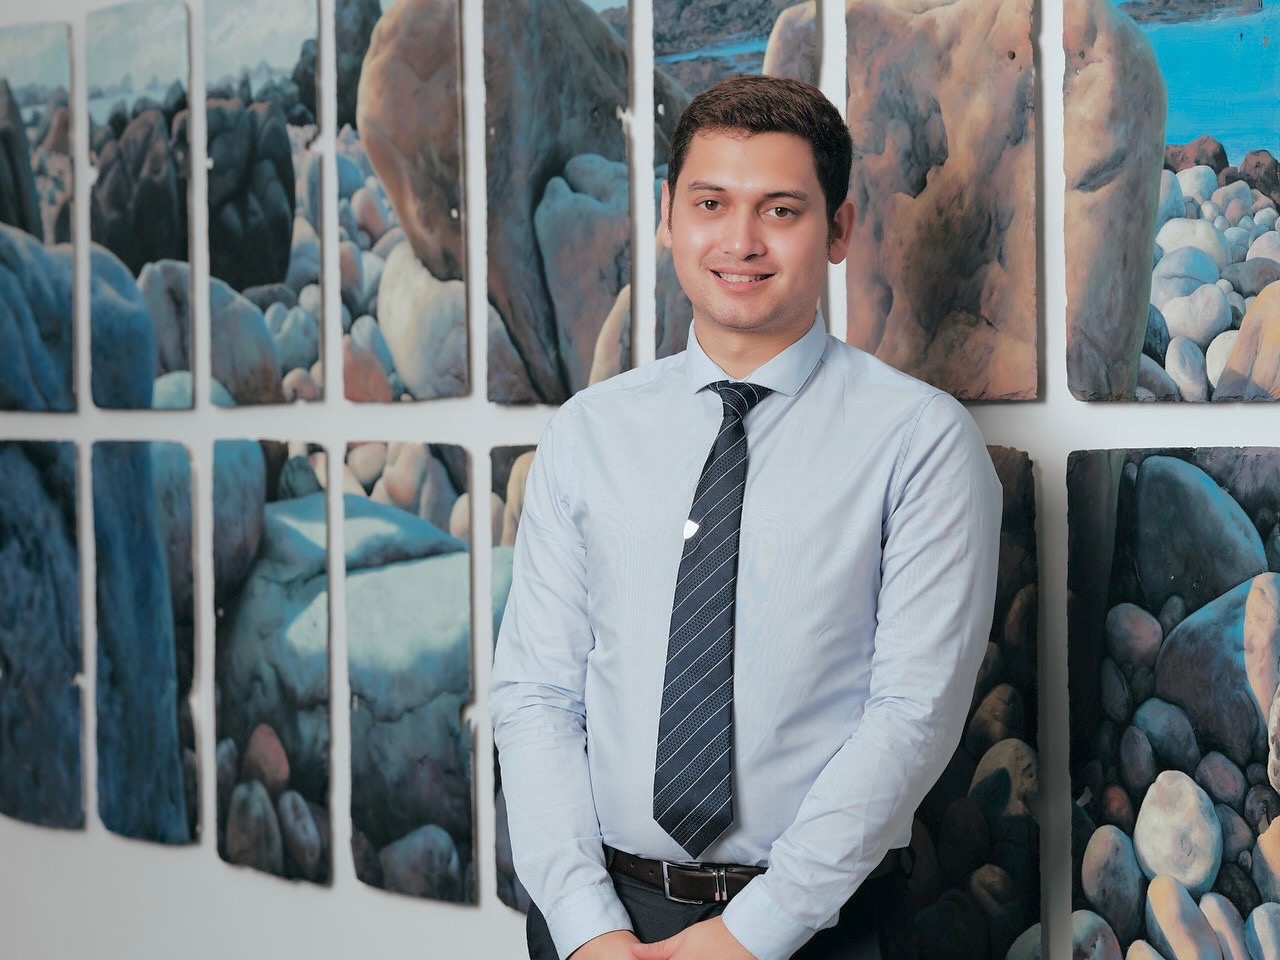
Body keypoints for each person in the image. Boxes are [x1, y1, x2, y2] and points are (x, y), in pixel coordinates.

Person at [490, 74, 1002, 960]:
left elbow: (910, 716)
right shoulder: (588, 432)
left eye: (781, 210)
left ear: (838, 230)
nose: (739, 240)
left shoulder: (920, 441)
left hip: (816, 927)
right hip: (598, 922)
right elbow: (536, 694)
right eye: (711, 202)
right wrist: (584, 926)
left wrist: (750, 935)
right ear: (668, 216)